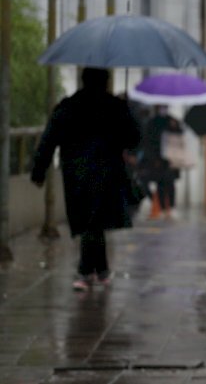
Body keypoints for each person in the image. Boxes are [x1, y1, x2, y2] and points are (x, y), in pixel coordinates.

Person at [31, 68, 142, 291]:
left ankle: (89, 270)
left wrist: (39, 170)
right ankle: (96, 269)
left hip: (77, 173)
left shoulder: (69, 105)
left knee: (89, 221)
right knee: (95, 221)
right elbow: (134, 138)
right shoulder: (115, 107)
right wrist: (125, 112)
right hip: (107, 173)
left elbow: (49, 138)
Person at [141, 105, 185, 220]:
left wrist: (174, 127)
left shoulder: (172, 121)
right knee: (160, 183)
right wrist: (153, 158)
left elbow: (180, 135)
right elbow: (148, 141)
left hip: (171, 158)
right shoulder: (152, 122)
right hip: (157, 159)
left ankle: (171, 207)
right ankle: (162, 208)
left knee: (170, 183)